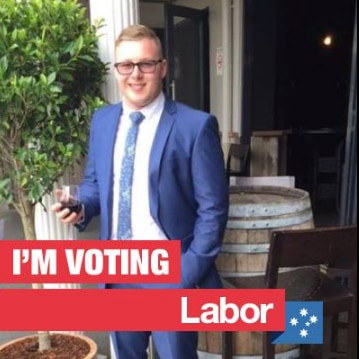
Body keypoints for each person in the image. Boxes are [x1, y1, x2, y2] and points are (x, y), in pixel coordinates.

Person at [52, 24, 229, 359]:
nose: (135, 74)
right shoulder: (102, 121)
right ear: (116, 69)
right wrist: (81, 206)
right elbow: (94, 183)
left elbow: (214, 208)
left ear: (162, 68)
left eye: (146, 64)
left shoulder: (195, 126)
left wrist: (187, 270)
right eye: (126, 65)